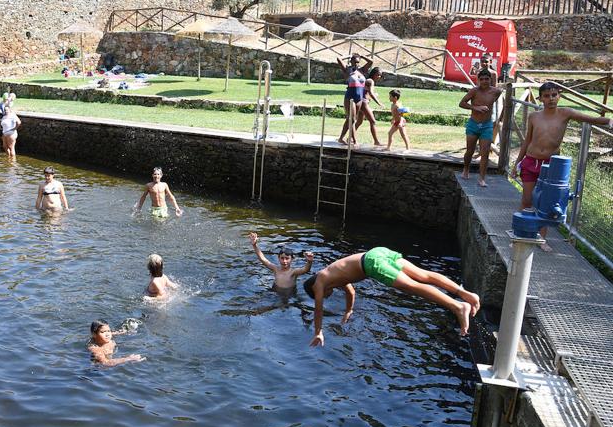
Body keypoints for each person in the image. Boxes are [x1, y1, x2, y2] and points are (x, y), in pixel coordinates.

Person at [304, 248, 481, 347]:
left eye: (321, 296)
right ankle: (464, 293)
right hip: (377, 252)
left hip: (372, 264)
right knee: (423, 275)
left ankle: (458, 306)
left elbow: (318, 310)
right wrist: (349, 310)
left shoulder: (319, 281)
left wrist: (318, 332)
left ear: (314, 289)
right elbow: (351, 292)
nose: (325, 296)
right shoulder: (332, 276)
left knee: (412, 286)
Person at [510, 81, 613, 250]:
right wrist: (517, 164)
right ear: (540, 98)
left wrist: (609, 121)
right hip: (531, 160)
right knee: (527, 200)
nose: (551, 99)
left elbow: (591, 118)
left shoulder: (565, 113)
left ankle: (541, 239)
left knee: (545, 203)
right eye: (546, 96)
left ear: (559, 96)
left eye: (554, 95)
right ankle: (519, 233)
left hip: (551, 165)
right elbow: (527, 140)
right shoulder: (534, 116)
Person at [459, 70, 503, 187]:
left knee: (485, 153)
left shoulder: (496, 92)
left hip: (487, 125)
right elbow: (462, 103)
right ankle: (466, 169)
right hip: (473, 124)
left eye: (486, 79)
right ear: (479, 80)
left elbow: (494, 102)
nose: (484, 81)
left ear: (490, 80)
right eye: (482, 79)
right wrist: (475, 108)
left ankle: (482, 178)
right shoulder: (474, 91)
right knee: (470, 151)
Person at [248, 232, 314, 293]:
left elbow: (306, 269)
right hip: (274, 291)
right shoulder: (275, 269)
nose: (284, 261)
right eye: (282, 258)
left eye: (287, 258)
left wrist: (309, 261)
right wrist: (254, 245)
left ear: (292, 259)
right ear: (278, 258)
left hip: (289, 294)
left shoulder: (293, 272)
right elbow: (263, 259)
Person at [337, 53, 373, 145]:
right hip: (350, 96)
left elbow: (371, 61)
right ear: (351, 61)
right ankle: (354, 140)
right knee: (352, 119)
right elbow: (338, 58)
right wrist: (348, 55)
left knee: (351, 119)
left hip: (359, 98)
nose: (357, 64)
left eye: (358, 62)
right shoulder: (347, 70)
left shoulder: (362, 70)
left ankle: (341, 138)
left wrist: (362, 56)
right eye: (355, 62)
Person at [353, 67, 384, 146]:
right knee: (373, 121)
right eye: (378, 75)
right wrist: (379, 103)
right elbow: (370, 93)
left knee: (359, 122)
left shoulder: (368, 80)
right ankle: (376, 141)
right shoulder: (370, 81)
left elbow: (366, 92)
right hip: (364, 103)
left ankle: (350, 138)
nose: (379, 77)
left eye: (380, 75)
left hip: (361, 101)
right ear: (373, 74)